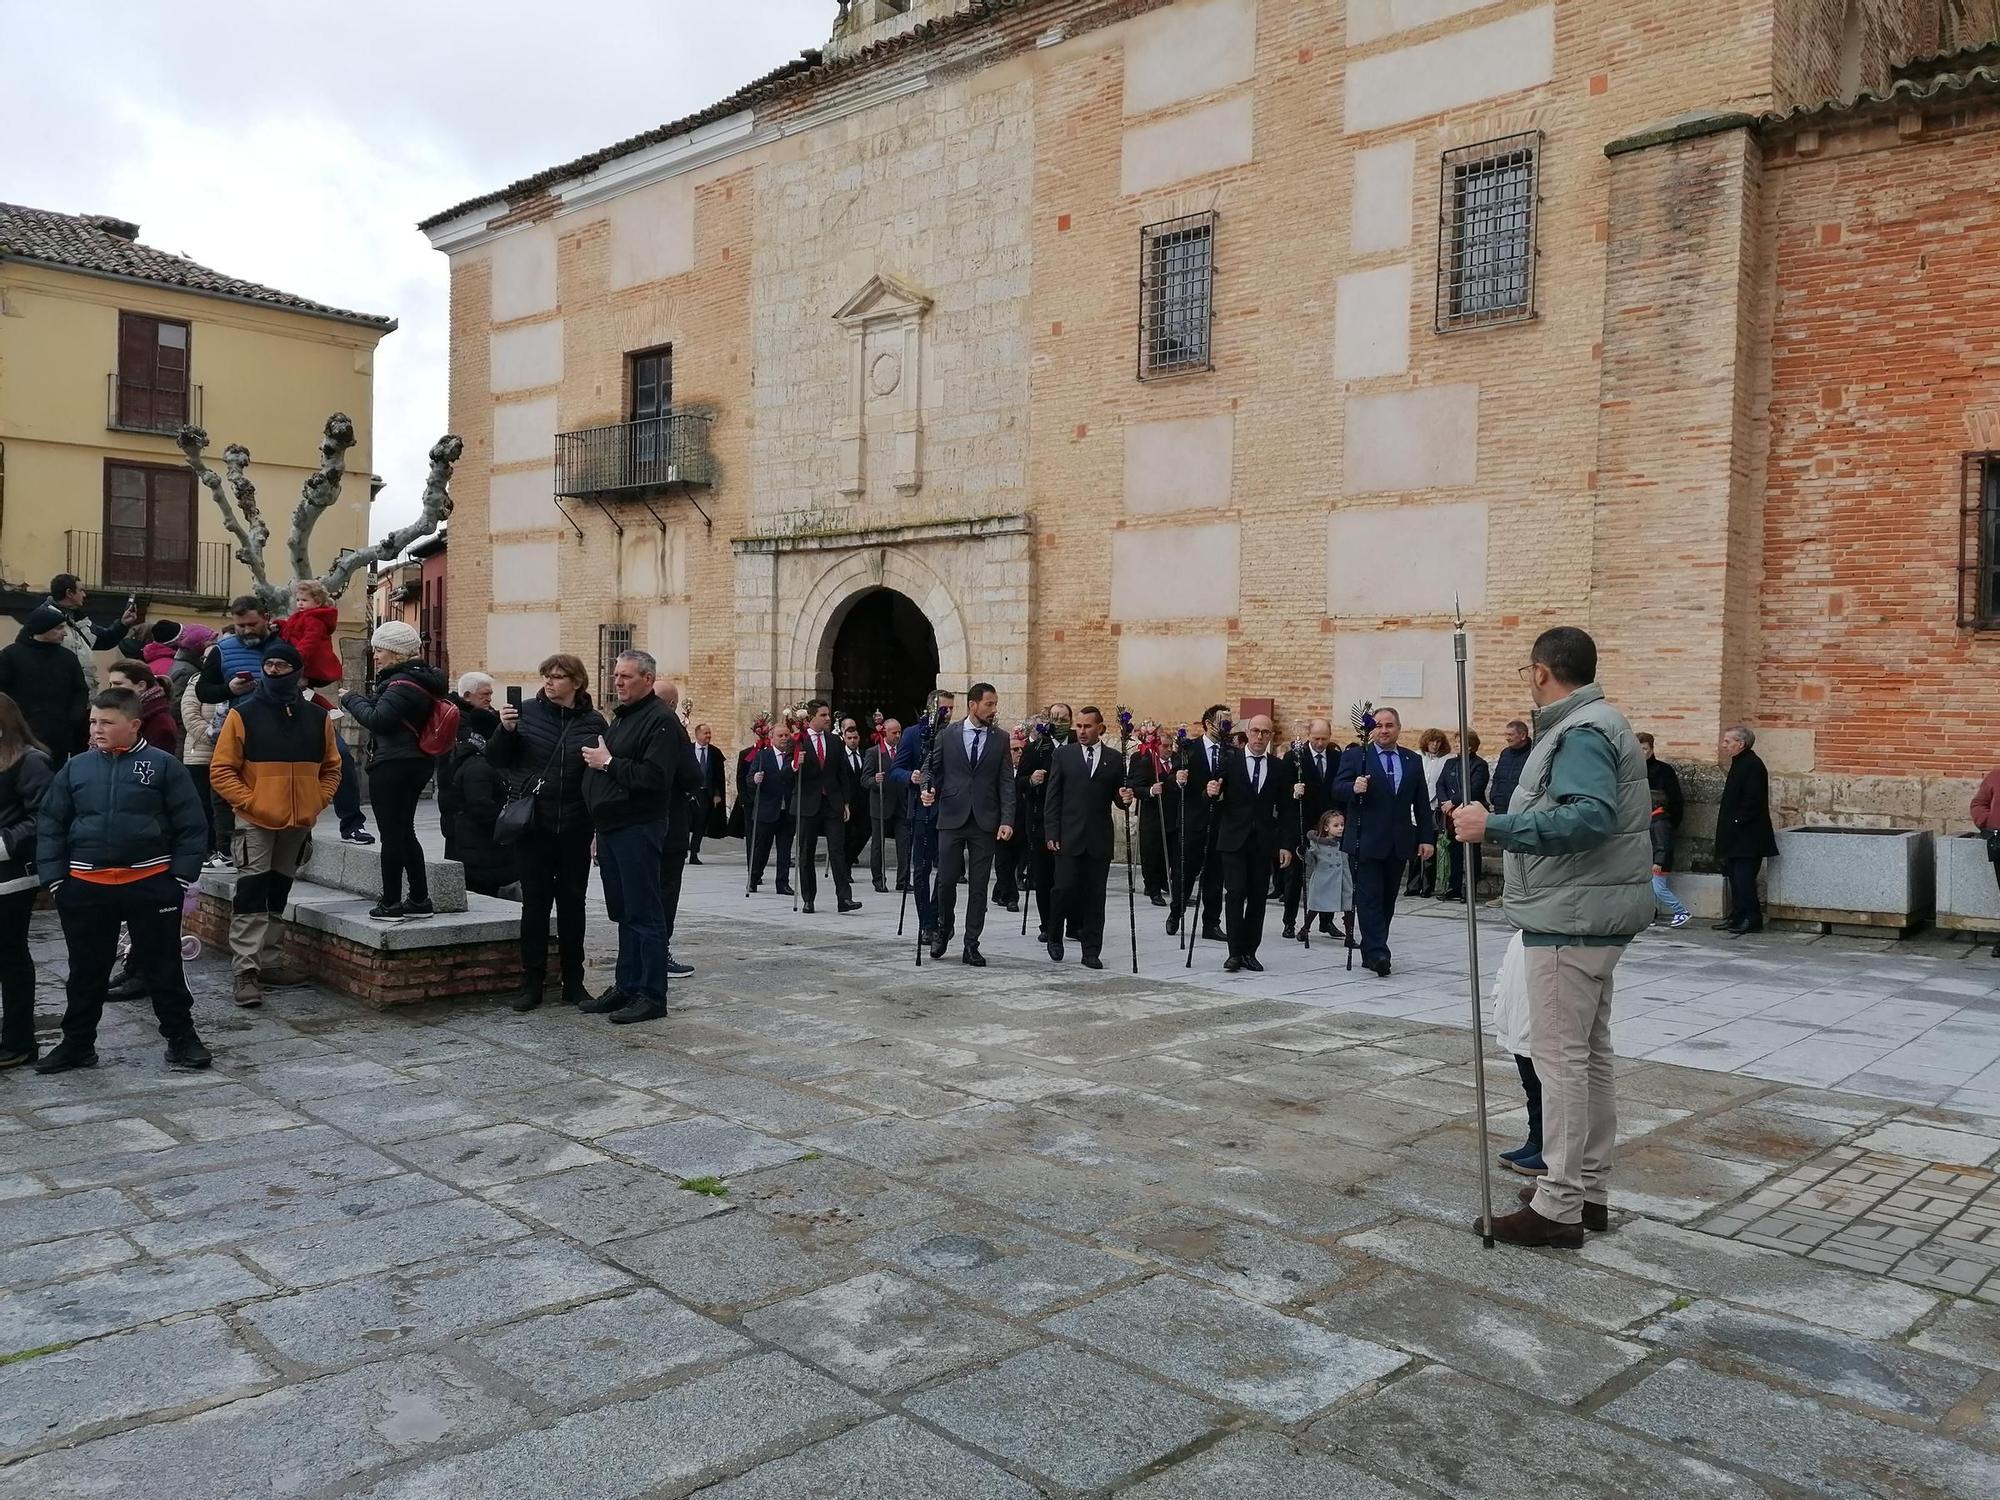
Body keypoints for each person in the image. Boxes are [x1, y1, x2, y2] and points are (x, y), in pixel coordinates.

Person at [1452, 625, 1652, 1249]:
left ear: (1541, 672)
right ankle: (1586, 1191)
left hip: (1570, 917)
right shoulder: (1596, 721)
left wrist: (1497, 826)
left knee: (1561, 1060)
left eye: (1525, 672)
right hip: (1584, 913)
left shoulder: (1580, 730)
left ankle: (1559, 1204)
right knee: (1587, 1055)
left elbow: (1589, 816)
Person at [34, 687, 211, 1075]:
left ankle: (181, 1038)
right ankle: (77, 1044)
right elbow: (50, 824)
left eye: (107, 722)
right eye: (94, 721)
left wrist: (180, 878)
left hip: (150, 882)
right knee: (86, 969)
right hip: (85, 886)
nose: (97, 729)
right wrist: (55, 880)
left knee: (162, 965)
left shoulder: (163, 766)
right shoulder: (75, 768)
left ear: (133, 725)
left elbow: (192, 825)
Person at [206, 639, 341, 1007]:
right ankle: (245, 970)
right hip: (254, 822)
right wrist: (251, 802)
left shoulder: (317, 718)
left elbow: (332, 767)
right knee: (251, 893)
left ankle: (269, 961)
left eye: (281, 666)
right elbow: (221, 770)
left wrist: (318, 799)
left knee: (278, 892)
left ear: (296, 672)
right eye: (269, 665)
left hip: (298, 822)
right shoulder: (243, 715)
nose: (273, 672)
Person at [579, 649, 701, 1024]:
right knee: (624, 912)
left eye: (626, 676)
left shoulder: (660, 721)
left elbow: (654, 779)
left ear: (648, 680)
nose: (618, 682)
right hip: (613, 828)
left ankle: (651, 994)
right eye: (616, 676)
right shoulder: (622, 720)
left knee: (644, 913)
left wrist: (609, 763)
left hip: (640, 827)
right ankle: (627, 986)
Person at [203, 595, 371, 847]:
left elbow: (320, 666)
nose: (246, 631)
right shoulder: (222, 651)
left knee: (341, 757)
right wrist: (230, 689)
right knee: (226, 781)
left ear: (266, 618)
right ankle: (226, 848)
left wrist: (305, 677)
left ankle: (351, 824)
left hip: (298, 716)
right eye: (240, 626)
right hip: (248, 724)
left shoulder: (288, 638)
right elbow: (203, 691)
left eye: (252, 624)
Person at [490, 654, 608, 1011]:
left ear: (577, 682)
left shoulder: (593, 722)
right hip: (535, 825)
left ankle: (574, 981)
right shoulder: (524, 712)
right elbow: (498, 759)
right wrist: (504, 731)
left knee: (574, 905)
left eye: (558, 676)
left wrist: (597, 826)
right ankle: (532, 983)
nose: (550, 682)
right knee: (535, 906)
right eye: (546, 676)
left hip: (575, 825)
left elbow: (599, 775)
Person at [340, 621, 447, 920]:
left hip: (394, 763)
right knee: (404, 830)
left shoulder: (400, 684)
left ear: (396, 653)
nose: (375, 656)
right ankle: (419, 899)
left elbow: (378, 719)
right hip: (416, 761)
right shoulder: (422, 680)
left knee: (391, 834)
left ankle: (390, 903)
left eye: (380, 650)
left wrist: (351, 698)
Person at [1335, 706, 1436, 977]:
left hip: (1398, 841)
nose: (1383, 730)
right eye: (1378, 725)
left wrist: (1426, 837)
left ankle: (1371, 949)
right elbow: (1337, 788)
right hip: (1365, 840)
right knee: (1369, 898)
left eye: (1389, 725)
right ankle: (1379, 953)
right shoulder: (1358, 756)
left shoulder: (1411, 760)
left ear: (1398, 728)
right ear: (1371, 729)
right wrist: (1353, 788)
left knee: (1387, 900)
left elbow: (1421, 803)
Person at [923, 681, 1016, 966]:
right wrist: (926, 788)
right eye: (989, 704)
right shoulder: (947, 735)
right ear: (973, 705)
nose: (993, 709)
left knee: (978, 886)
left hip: (984, 820)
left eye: (995, 704)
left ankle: (971, 943)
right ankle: (944, 926)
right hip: (951, 815)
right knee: (946, 881)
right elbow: (932, 766)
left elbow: (1006, 781)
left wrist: (1007, 819)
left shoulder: (1000, 738)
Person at [1043, 706, 1131, 968]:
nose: (1081, 731)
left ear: (1100, 728)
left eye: (1087, 726)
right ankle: (1054, 933)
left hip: (1098, 838)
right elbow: (1053, 797)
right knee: (1064, 889)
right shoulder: (1064, 755)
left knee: (1095, 896)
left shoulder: (1114, 759)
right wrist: (1052, 832)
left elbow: (1118, 796)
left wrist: (1125, 799)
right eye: (1078, 726)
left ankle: (1091, 949)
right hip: (1068, 835)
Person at [1209, 712, 1295, 972]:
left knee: (1258, 897)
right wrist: (1210, 792)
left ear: (1271, 736)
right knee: (1235, 893)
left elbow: (1287, 809)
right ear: (1247, 733)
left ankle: (1250, 951)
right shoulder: (1229, 760)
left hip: (1262, 841)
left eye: (1265, 732)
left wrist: (1286, 845)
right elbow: (1214, 793)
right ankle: (1234, 952)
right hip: (1233, 838)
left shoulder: (1279, 767)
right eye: (1256, 731)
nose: (1259, 736)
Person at [0, 694, 53, 1068]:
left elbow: (44, 818)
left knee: (10, 957)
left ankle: (19, 1041)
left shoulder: (31, 761)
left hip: (10, 878)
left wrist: (3, 843)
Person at [891, 690, 954, 946]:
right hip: (920, 809)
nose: (948, 714)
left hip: (948, 810)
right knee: (922, 869)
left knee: (948, 869)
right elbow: (896, 769)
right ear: (932, 708)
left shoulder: (955, 734)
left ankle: (937, 914)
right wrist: (911, 777)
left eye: (951, 709)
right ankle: (926, 924)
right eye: (944, 709)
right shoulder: (912, 734)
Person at [793, 699, 860, 915]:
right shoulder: (799, 740)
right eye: (823, 715)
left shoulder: (834, 741)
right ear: (811, 717)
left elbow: (843, 774)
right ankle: (808, 899)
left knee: (838, 851)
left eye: (828, 714)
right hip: (808, 803)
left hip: (832, 802)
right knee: (806, 853)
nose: (828, 718)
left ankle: (844, 898)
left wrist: (846, 802)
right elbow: (787, 772)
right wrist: (796, 763)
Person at [0, 603, 90, 764]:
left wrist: (74, 717)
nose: (64, 633)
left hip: (59, 733)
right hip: (22, 734)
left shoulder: (68, 657)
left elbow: (80, 690)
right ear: (42, 629)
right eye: (59, 628)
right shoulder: (10, 655)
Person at [1714, 724, 1778, 936]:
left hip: (1748, 835)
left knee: (1744, 879)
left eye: (1727, 742)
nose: (1724, 746)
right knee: (1734, 876)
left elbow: (1752, 801)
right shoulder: (1740, 762)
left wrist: (1735, 822)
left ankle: (1752, 918)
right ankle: (1737, 915)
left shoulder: (1752, 765)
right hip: (1736, 835)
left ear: (1740, 744)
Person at [654, 678, 698, 981]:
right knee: (665, 891)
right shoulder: (673, 728)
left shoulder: (631, 723)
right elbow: (692, 776)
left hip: (640, 826)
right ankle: (659, 953)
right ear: (673, 704)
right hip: (669, 825)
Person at [1174, 706, 1232, 941]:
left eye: (1229, 722)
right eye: (1222, 722)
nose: (1227, 726)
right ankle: (1176, 910)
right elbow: (1174, 779)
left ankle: (1211, 923)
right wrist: (1179, 780)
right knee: (1186, 871)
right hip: (1194, 819)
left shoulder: (1231, 752)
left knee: (1215, 877)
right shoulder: (1190, 748)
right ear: (1208, 723)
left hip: (1219, 821)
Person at [1018, 704, 1073, 944]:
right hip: (1040, 821)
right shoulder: (1036, 748)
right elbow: (1017, 781)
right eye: (1055, 718)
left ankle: (1073, 924)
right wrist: (1031, 780)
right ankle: (1048, 924)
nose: (1059, 722)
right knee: (1045, 877)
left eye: (1064, 718)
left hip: (1071, 821)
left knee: (1070, 877)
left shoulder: (1077, 746)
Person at [1281, 719, 1339, 939]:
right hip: (1301, 822)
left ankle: (1327, 921)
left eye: (1324, 738)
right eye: (1316, 738)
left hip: (1325, 825)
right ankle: (1289, 921)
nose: (1320, 743)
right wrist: (1293, 791)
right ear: (1309, 736)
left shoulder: (1335, 757)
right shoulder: (1295, 756)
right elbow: (1282, 791)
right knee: (1294, 876)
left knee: (1327, 874)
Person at [438, 672, 498, 862]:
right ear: (467, 696)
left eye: (490, 694)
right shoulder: (453, 717)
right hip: (458, 793)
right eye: (484, 695)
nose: (489, 699)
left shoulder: (486, 715)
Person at [45, 573, 138, 693]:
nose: (84, 594)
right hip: (59, 693)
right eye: (81, 590)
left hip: (84, 693)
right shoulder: (45, 620)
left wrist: (123, 624)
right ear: (69, 593)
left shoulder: (79, 619)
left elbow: (105, 639)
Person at [1638, 732, 1692, 928]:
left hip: (1659, 825)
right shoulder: (1628, 769)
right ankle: (1648, 913)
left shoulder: (1663, 771)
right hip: (1642, 828)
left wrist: (1667, 822)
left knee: (1657, 885)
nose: (1641, 753)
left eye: (1644, 749)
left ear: (1651, 749)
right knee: (1646, 883)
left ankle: (1680, 910)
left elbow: (1675, 802)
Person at [179, 655, 227, 867]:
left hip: (228, 754)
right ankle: (206, 849)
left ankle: (222, 849)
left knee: (222, 806)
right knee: (202, 805)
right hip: (200, 754)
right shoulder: (196, 681)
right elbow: (189, 714)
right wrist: (210, 736)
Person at [1435, 730, 1490, 903]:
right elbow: (1440, 783)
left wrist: (1454, 801)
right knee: (1454, 851)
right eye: (1456, 742)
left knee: (1471, 851)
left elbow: (1475, 787)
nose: (1456, 745)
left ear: (1470, 745)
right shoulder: (1450, 763)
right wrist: (1445, 802)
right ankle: (1454, 887)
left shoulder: (1479, 765)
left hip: (1469, 812)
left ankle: (1470, 889)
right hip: (1450, 814)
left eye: (1460, 742)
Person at [744, 724, 796, 894]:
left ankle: (782, 883)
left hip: (786, 810)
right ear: (772, 738)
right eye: (780, 735)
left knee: (785, 849)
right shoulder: (763, 756)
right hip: (767, 809)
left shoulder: (793, 757)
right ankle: (754, 877)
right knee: (761, 848)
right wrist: (755, 779)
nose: (784, 738)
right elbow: (750, 779)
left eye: (786, 735)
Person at [1296, 808, 1354, 950]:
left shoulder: (1347, 842)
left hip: (1343, 880)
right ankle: (1305, 928)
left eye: (1342, 824)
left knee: (1349, 907)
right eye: (1336, 825)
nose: (1340, 828)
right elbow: (1311, 861)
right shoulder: (1317, 844)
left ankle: (1349, 937)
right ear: (1326, 827)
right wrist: (1303, 852)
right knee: (1315, 907)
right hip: (1324, 880)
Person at [1407, 728, 1452, 896]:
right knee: (1413, 849)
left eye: (1438, 741)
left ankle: (1427, 886)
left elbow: (1442, 783)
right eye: (1432, 741)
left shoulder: (1446, 760)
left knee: (1429, 847)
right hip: (1414, 807)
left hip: (1434, 808)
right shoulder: (1416, 757)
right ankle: (1412, 885)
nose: (1434, 744)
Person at [104, 659, 180, 757]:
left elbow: (155, 766)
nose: (112, 689)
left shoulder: (160, 722)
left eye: (118, 684)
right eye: (111, 684)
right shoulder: (120, 713)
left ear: (141, 686)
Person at [991, 724, 1026, 910]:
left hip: (1021, 822)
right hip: (1001, 822)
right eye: (1014, 749)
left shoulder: (1026, 771)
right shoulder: (999, 772)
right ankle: (1011, 897)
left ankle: (999, 891)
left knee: (1014, 861)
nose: (1019, 753)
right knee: (1003, 860)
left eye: (1021, 749)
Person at [689, 722, 726, 865]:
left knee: (700, 824)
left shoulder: (715, 753)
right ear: (697, 734)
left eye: (709, 733)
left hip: (705, 794)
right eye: (705, 733)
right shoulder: (687, 750)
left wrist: (717, 794)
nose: (708, 736)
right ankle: (681, 850)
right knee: (685, 823)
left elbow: (718, 777)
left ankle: (694, 853)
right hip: (689, 793)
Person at [1491, 719, 1533, 814]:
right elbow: (1497, 777)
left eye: (1510, 735)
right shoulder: (1505, 753)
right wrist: (1494, 796)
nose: (1507, 738)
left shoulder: (1533, 753)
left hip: (1522, 808)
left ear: (1523, 735)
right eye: (1506, 734)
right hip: (1501, 807)